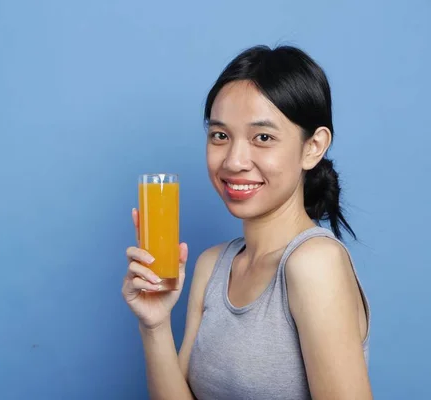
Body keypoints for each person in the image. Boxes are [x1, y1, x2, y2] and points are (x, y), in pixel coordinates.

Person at [122, 45, 372, 400]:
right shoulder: (213, 265)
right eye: (220, 136)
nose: (234, 161)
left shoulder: (315, 263)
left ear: (313, 147)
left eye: (263, 138)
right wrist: (155, 324)